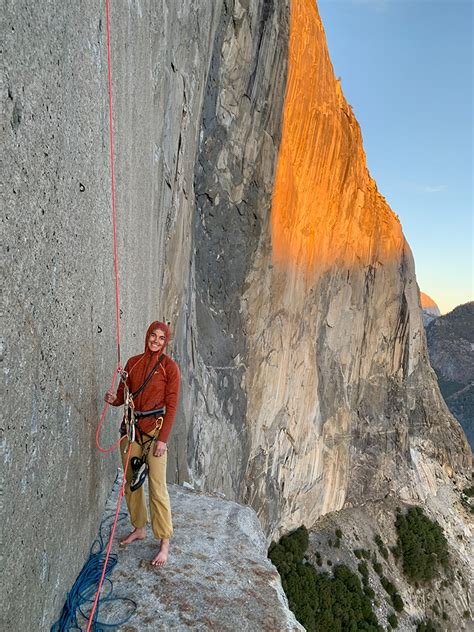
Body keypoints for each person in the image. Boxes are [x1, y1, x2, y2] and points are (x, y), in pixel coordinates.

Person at [104, 320, 180, 566]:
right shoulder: (133, 363)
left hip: (155, 433)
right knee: (131, 483)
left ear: (165, 342)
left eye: (160, 338)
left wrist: (163, 440)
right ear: (147, 336)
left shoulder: (170, 368)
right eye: (153, 336)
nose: (155, 341)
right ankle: (139, 527)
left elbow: (172, 406)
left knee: (157, 487)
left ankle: (164, 542)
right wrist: (113, 399)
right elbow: (123, 396)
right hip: (132, 429)